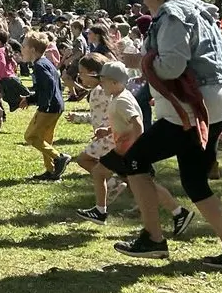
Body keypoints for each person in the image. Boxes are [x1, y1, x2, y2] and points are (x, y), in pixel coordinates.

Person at [102, 0, 222, 273]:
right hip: (215, 104)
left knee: (133, 160)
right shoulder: (200, 9)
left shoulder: (171, 14)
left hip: (190, 108)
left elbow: (171, 65)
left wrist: (139, 61)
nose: (143, 2)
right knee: (195, 181)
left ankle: (153, 238)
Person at [75, 58, 192, 232]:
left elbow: (137, 123)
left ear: (115, 82)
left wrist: (137, 148)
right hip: (124, 149)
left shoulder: (122, 100)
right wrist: (107, 130)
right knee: (103, 173)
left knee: (146, 184)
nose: (101, 84)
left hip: (128, 151)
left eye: (104, 81)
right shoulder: (118, 97)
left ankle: (179, 212)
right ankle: (100, 211)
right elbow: (124, 122)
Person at [17, 31, 70, 182]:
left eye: (24, 46)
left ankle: (59, 158)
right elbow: (50, 86)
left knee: (31, 136)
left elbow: (48, 85)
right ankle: (51, 171)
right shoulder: (45, 62)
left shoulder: (40, 66)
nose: (21, 49)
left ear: (32, 49)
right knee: (45, 139)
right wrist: (30, 99)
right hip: (56, 106)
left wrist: (43, 104)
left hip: (49, 108)